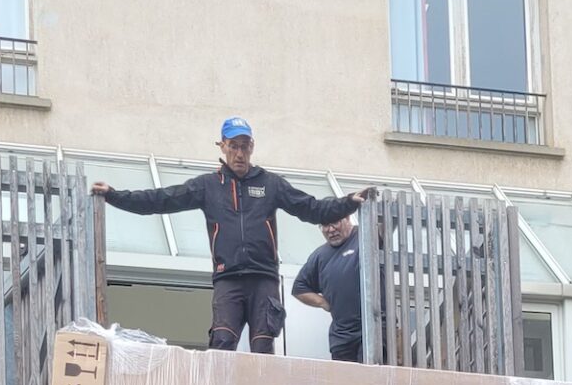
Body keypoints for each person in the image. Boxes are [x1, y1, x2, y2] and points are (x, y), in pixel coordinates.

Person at [92, 118, 374, 354]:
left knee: (263, 347)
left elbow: (312, 209)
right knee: (222, 343)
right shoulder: (208, 186)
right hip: (228, 279)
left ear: (252, 148)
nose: (239, 154)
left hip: (263, 279)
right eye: (234, 146)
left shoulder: (270, 184)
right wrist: (115, 196)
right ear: (223, 146)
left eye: (245, 146)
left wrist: (349, 202)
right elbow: (160, 199)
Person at [292, 214, 364, 362]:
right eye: (325, 225)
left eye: (335, 222)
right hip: (342, 336)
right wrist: (324, 303)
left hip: (374, 330)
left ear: (347, 218)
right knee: (343, 377)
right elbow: (299, 288)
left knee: (372, 375)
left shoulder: (366, 237)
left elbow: (387, 226)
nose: (330, 229)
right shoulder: (320, 256)